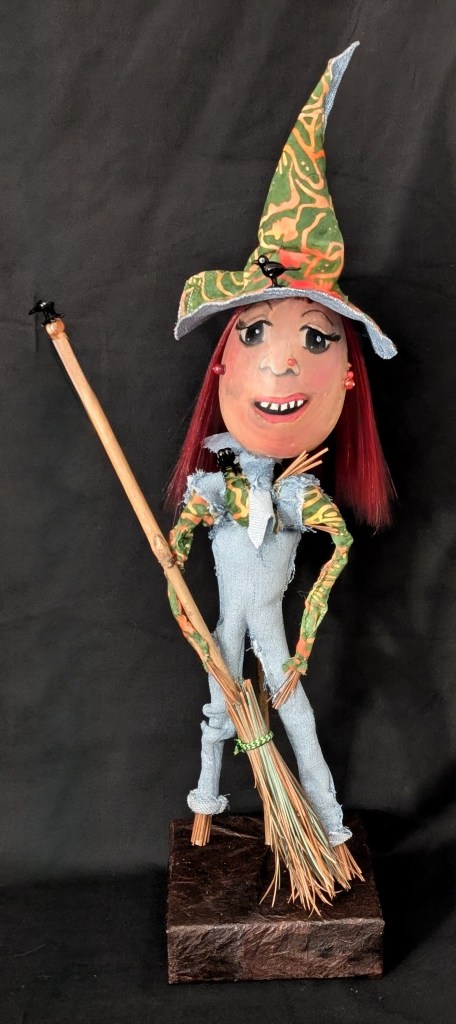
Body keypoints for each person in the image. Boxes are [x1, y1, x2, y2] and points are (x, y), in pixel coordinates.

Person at [166, 43, 396, 851]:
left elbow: (336, 550)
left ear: (350, 378)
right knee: (217, 705)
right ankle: (207, 805)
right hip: (227, 625)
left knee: (291, 709)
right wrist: (176, 547)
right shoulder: (216, 485)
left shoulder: (301, 494)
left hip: (272, 631)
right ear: (223, 363)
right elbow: (181, 546)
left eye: (315, 339)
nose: (282, 363)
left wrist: (301, 646)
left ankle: (325, 824)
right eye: (256, 332)